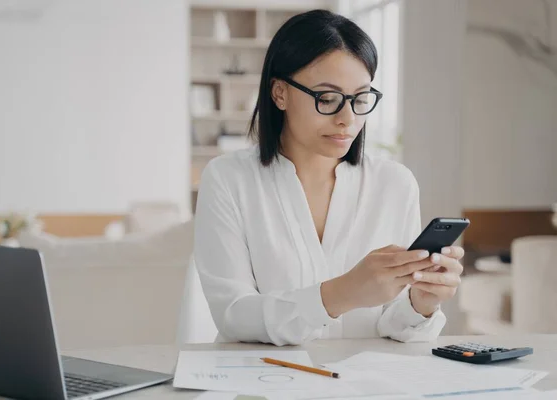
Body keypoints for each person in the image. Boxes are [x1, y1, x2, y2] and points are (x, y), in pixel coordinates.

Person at [193, 9, 463, 346]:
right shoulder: (228, 180)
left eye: (360, 98)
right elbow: (234, 316)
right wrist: (341, 293)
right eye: (328, 98)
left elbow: (393, 325)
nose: (347, 119)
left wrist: (422, 302)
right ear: (279, 93)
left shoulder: (395, 184)